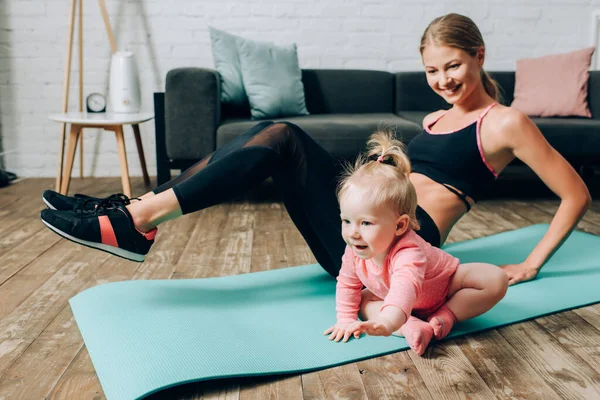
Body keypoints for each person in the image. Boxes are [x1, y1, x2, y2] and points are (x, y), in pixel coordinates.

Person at [40, 13, 590, 285]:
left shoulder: (506, 122)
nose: (443, 79)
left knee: (282, 137)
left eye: (454, 65)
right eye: (432, 69)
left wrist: (530, 265)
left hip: (400, 251)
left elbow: (575, 194)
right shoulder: (435, 116)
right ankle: (130, 214)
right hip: (363, 226)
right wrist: (385, 167)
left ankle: (136, 220)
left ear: (478, 56)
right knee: (271, 134)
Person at [323, 131, 507, 355]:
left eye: (366, 223)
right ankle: (411, 326)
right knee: (361, 302)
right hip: (400, 304)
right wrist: (345, 319)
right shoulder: (354, 250)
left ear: (400, 226)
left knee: (495, 279)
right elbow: (347, 284)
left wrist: (388, 322)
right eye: (346, 221)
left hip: (446, 288)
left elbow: (405, 286)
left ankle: (448, 315)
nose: (353, 233)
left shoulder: (409, 250)